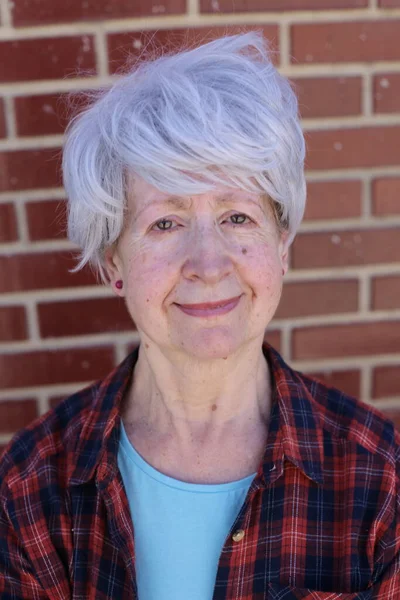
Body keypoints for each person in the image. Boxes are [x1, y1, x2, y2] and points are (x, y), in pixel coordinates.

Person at [0, 30, 399, 600]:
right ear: (114, 262)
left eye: (238, 217)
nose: (208, 264)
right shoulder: (30, 485)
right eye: (165, 222)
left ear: (281, 244)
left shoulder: (380, 480)